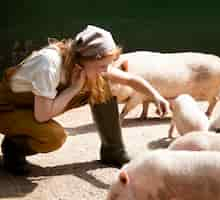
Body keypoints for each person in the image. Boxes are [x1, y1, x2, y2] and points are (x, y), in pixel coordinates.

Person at [0, 25, 169, 175]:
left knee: (100, 84)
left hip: (33, 107)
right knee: (53, 137)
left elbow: (129, 80)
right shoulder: (49, 64)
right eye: (103, 65)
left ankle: (113, 151)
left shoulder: (81, 63)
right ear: (88, 59)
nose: (106, 70)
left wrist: (156, 96)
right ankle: (14, 147)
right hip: (7, 109)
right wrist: (73, 89)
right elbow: (42, 116)